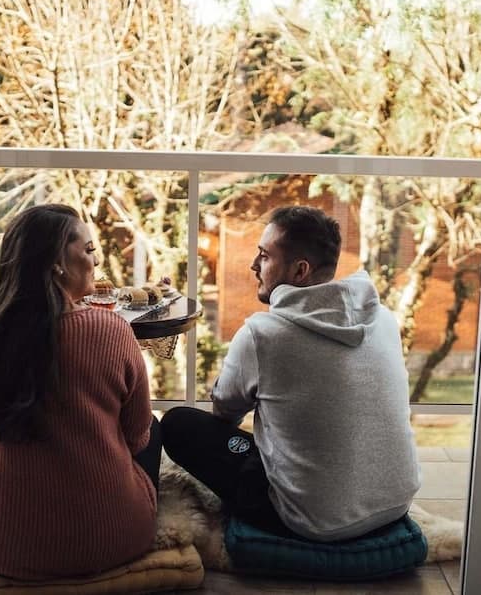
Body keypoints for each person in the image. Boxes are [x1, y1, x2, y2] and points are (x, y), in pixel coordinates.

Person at [161, 205, 421, 542]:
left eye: (265, 256)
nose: (254, 265)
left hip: (312, 522)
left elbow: (225, 413)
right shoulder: (383, 318)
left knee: (179, 423)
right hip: (396, 504)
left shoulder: (263, 334)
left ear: (300, 270)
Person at [0, 204, 160, 579]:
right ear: (57, 262)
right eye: (88, 250)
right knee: (153, 428)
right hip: (111, 542)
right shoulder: (113, 330)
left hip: (3, 548)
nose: (97, 260)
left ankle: (6, 542)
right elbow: (137, 437)